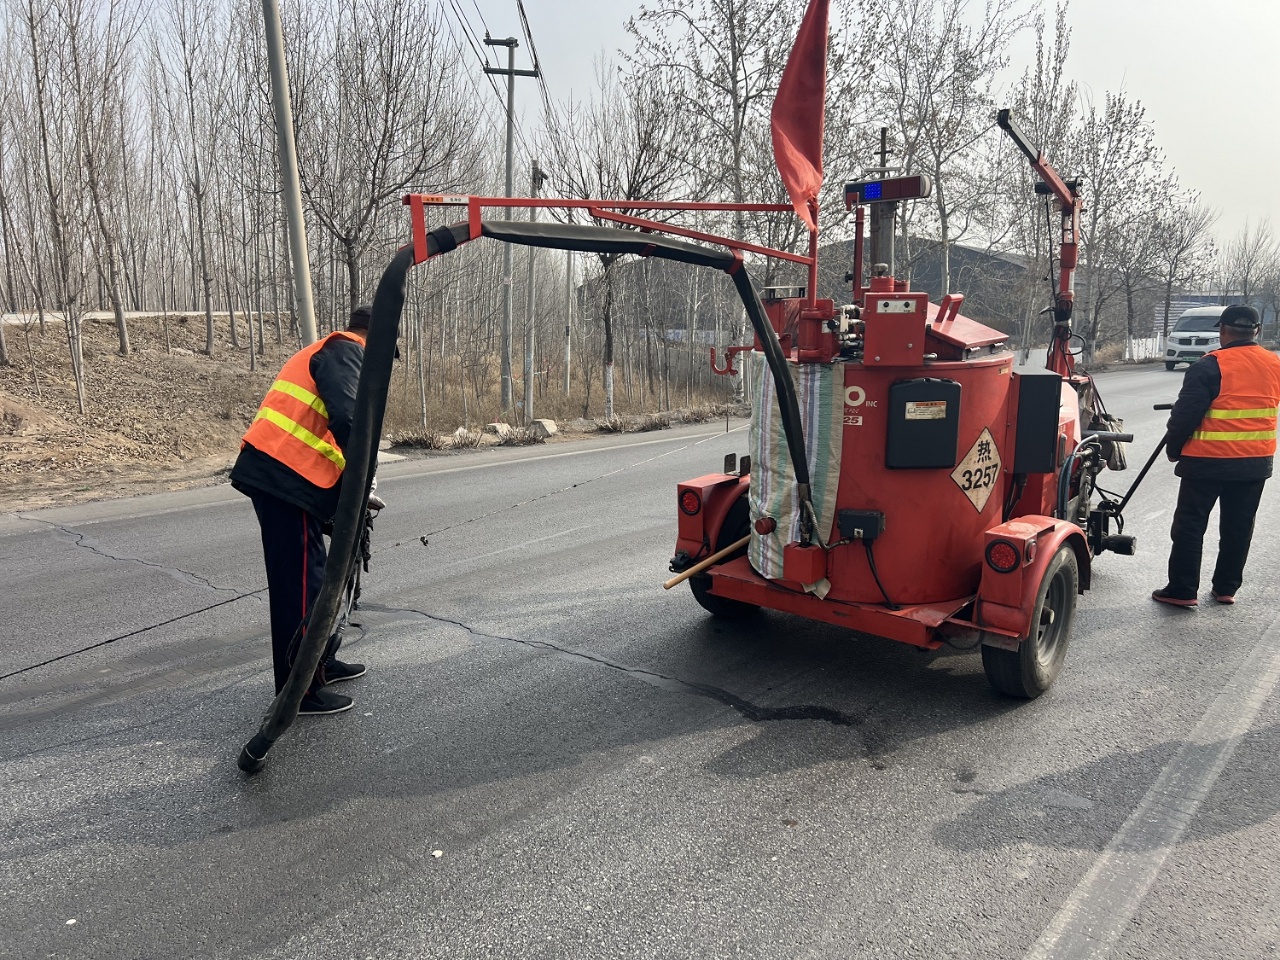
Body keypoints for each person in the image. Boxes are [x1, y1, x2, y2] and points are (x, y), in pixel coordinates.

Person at [231, 305, 375, 714]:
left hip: (292, 476)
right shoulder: (348, 349)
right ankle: (300, 690)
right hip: (283, 476)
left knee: (318, 578)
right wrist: (363, 481)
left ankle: (321, 662)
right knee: (300, 585)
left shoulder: (333, 349)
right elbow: (349, 420)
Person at [1152, 304, 1280, 608]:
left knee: (1190, 525)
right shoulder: (1274, 364)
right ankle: (1226, 588)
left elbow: (1185, 415)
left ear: (1222, 331)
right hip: (1254, 463)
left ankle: (1183, 590)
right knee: (1239, 527)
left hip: (1206, 462)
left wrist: (1174, 448)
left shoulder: (1209, 365)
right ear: (1256, 332)